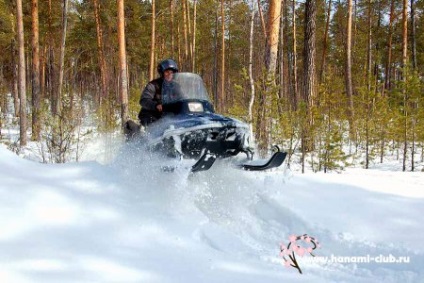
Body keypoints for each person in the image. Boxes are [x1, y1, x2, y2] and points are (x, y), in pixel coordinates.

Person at [138, 59, 179, 127]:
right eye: (167, 72)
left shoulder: (176, 86)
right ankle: (145, 135)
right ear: (162, 73)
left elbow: (183, 98)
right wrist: (156, 105)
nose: (169, 74)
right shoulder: (153, 85)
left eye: (172, 72)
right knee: (153, 123)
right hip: (152, 115)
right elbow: (144, 100)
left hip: (168, 116)